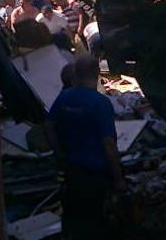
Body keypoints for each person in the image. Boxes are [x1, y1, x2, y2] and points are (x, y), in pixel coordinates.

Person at [48, 55, 125, 240]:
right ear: (97, 73)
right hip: (96, 176)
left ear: (75, 73)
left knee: (74, 221)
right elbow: (108, 144)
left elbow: (48, 127)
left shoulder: (64, 98)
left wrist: (59, 155)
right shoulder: (100, 103)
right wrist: (119, 179)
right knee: (98, 224)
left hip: (72, 173)